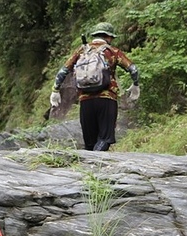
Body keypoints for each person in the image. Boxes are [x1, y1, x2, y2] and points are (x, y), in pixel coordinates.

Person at [50, 22, 140, 151]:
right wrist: (135, 85)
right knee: (104, 139)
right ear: (108, 37)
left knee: (90, 143)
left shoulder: (81, 50)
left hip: (85, 100)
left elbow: (63, 71)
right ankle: (96, 166)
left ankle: (87, 168)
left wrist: (55, 90)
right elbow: (133, 69)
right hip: (107, 99)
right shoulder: (112, 51)